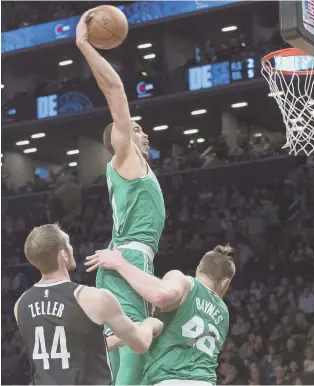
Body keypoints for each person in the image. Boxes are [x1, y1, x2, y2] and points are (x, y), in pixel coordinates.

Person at [76, 10, 166, 384]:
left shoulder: (134, 170)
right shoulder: (125, 159)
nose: (137, 129)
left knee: (132, 355)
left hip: (132, 261)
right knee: (128, 362)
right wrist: (83, 43)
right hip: (126, 258)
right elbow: (115, 91)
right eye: (130, 127)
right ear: (116, 140)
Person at [15, 224, 163, 385]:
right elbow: (140, 344)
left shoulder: (20, 305)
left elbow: (67, 348)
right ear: (63, 254)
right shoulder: (93, 298)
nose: (71, 248)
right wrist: (150, 324)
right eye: (68, 244)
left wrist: (118, 339)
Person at [86, 244, 235, 385]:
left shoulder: (184, 281)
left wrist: (119, 263)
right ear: (225, 283)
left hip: (170, 379)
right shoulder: (224, 313)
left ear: (199, 268)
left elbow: (161, 295)